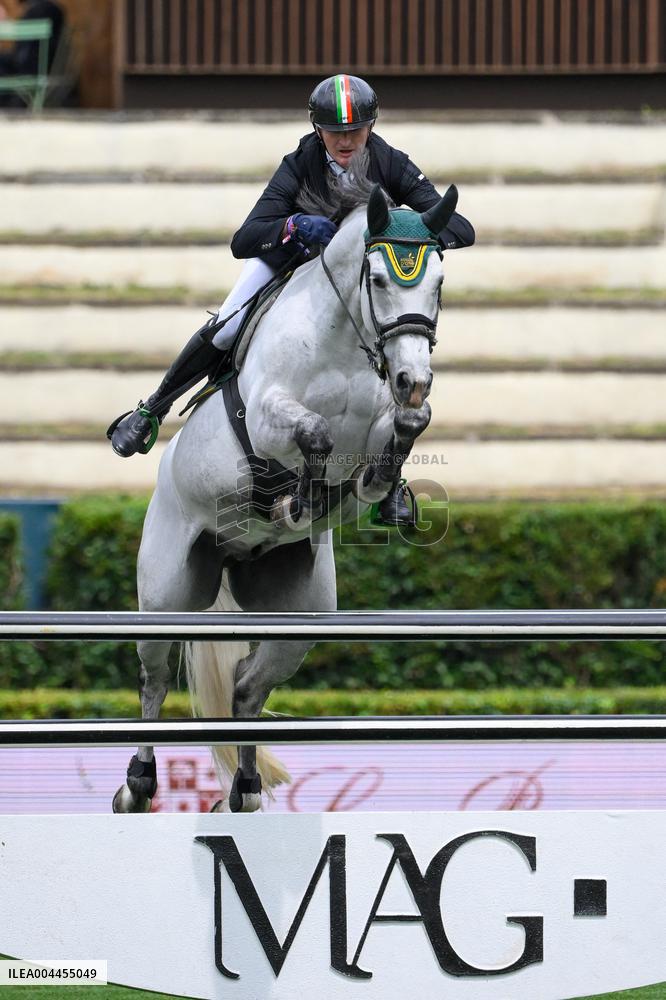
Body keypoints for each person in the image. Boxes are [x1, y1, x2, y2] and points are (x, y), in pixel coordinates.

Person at [108, 74, 475, 523]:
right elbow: (245, 239)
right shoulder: (300, 162)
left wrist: (406, 228)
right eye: (336, 132)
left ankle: (390, 479)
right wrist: (293, 226)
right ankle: (152, 409)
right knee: (225, 324)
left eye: (356, 130)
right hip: (293, 262)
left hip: (355, 277)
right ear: (318, 130)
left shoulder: (390, 161)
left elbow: (459, 229)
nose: (347, 140)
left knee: (394, 341)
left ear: (372, 127)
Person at [0, 0, 64, 104]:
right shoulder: (49, 8)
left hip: (33, 68)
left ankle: (13, 105)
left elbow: (25, 54)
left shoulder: (41, 9)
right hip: (38, 65)